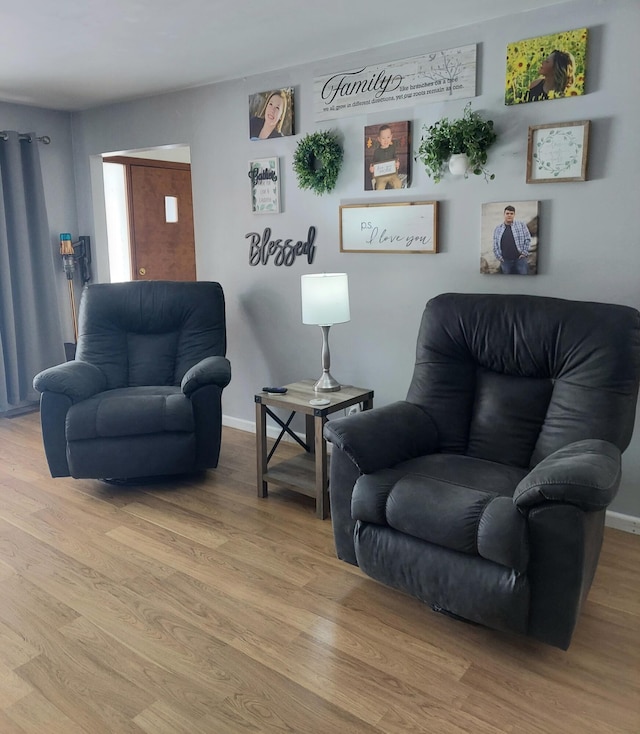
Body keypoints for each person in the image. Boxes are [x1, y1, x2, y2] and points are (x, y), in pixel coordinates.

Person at [493, 205, 531, 275]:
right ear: (504, 214)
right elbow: (495, 245)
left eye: (511, 213)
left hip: (520, 258)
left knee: (524, 278)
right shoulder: (498, 228)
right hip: (505, 260)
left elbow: (528, 239)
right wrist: (499, 257)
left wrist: (524, 253)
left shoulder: (521, 225)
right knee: (507, 282)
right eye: (507, 213)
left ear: (514, 215)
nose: (509, 215)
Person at [369, 124, 402, 190]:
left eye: (388, 137)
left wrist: (397, 163)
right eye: (383, 138)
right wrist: (371, 168)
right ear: (379, 139)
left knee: (398, 183)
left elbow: (396, 158)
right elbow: (373, 163)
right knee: (379, 187)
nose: (386, 140)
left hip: (392, 174)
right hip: (381, 176)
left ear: (391, 137)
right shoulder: (377, 151)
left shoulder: (392, 148)